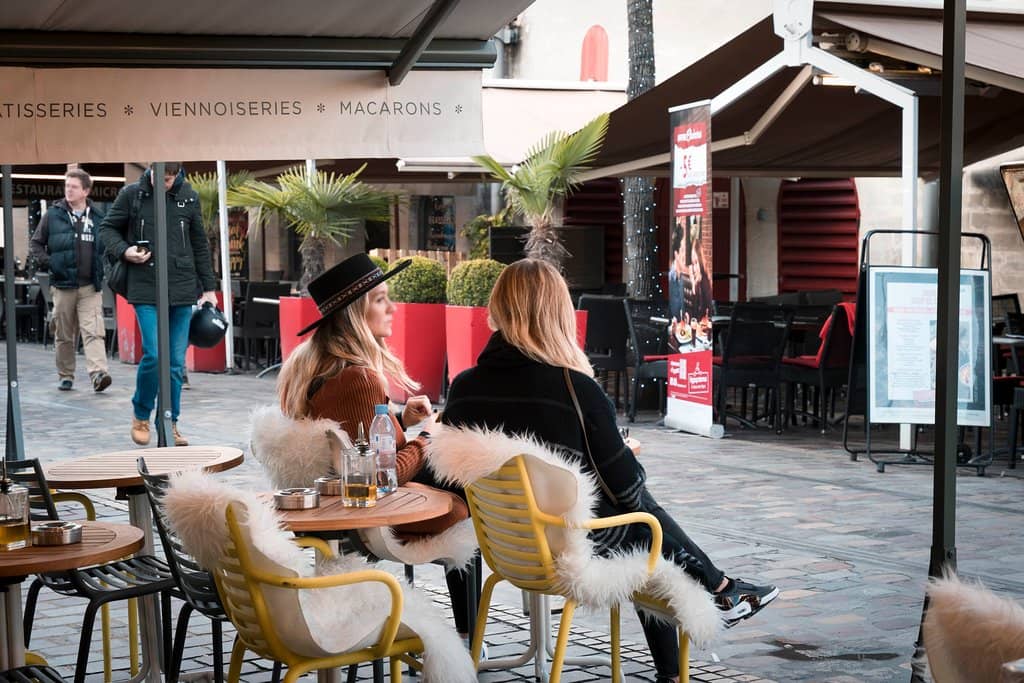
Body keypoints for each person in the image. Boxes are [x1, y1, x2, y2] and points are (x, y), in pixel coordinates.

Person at [441, 259, 778, 683]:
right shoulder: (574, 388)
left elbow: (459, 474)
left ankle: (722, 587)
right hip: (573, 554)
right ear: (557, 313)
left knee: (637, 521)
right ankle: (712, 601)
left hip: (507, 551)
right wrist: (622, 453)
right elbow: (625, 488)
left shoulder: (464, 387)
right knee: (641, 526)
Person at [275, 253, 475, 639]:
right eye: (381, 299)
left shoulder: (312, 363)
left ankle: (470, 633)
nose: (393, 308)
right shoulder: (359, 378)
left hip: (340, 503)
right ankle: (470, 635)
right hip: (377, 516)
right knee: (471, 489)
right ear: (355, 313)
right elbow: (383, 476)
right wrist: (427, 437)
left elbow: (353, 438)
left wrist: (399, 421)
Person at [99, 163, 218, 447]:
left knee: (176, 363)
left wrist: (210, 288)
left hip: (181, 287)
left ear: (176, 175)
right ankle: (141, 414)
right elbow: (107, 229)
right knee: (154, 354)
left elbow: (199, 243)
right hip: (145, 286)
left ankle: (170, 422)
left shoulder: (188, 196)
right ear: (150, 170)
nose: (161, 184)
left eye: (167, 179)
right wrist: (125, 250)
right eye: (157, 177)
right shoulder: (132, 194)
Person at [29, 169, 112, 392]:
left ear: (86, 191)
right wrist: (50, 263)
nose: (69, 190)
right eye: (67, 186)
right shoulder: (53, 215)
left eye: (74, 187)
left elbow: (106, 247)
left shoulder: (96, 217)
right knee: (64, 334)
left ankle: (98, 374)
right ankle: (66, 375)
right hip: (63, 285)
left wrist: (103, 267)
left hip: (89, 286)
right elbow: (36, 244)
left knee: (93, 330)